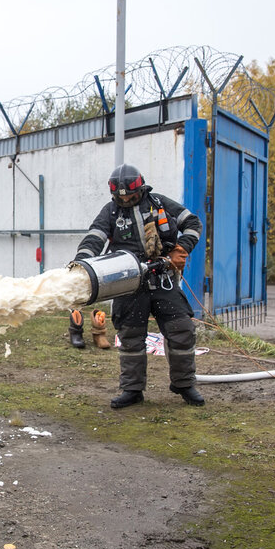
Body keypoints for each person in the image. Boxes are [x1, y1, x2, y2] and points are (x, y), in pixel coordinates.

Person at [74, 163, 204, 409]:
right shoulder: (110, 212)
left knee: (181, 329)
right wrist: (81, 264)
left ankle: (184, 384)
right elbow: (94, 237)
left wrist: (182, 248)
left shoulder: (159, 203)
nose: (125, 200)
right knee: (130, 336)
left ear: (141, 189)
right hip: (127, 283)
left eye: (130, 196)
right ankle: (132, 390)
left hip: (163, 279)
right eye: (120, 197)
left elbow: (193, 223)